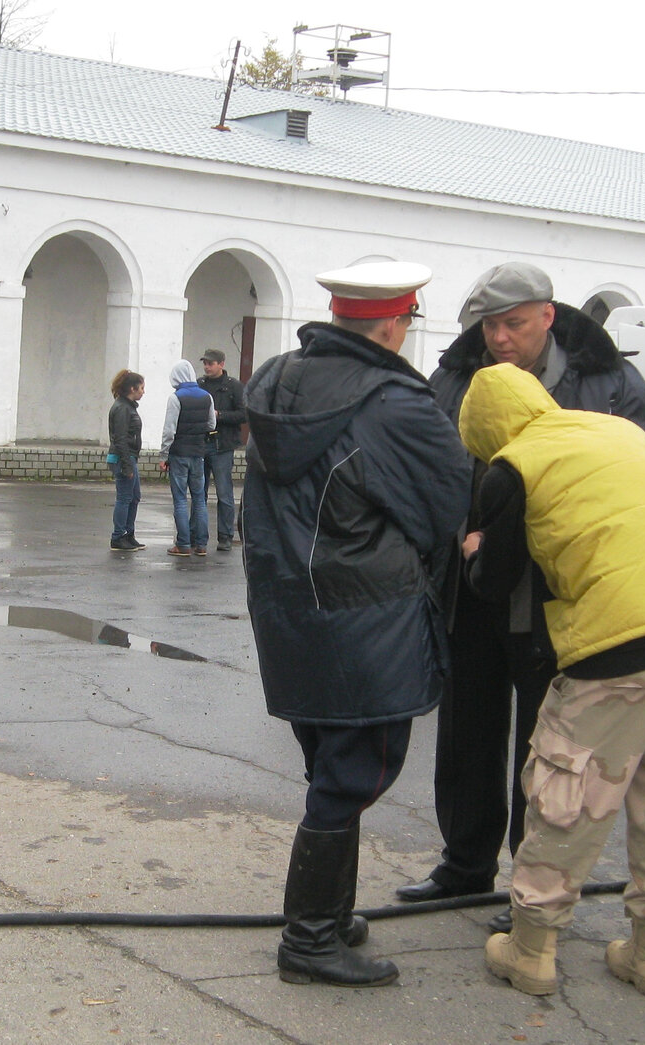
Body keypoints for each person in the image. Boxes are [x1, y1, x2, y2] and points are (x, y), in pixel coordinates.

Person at [397, 262, 645, 932]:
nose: (500, 337)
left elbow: (638, 469)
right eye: (490, 325)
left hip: (557, 590)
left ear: (548, 315)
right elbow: (426, 461)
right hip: (471, 582)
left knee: (547, 747)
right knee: (467, 733)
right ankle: (463, 862)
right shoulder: (455, 376)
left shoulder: (608, 381)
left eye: (513, 323)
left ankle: (533, 886)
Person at [455, 363, 645, 999]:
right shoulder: (621, 432)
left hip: (614, 642)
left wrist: (475, 552)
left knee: (565, 791)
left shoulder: (512, 467)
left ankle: (531, 949)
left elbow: (497, 581)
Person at [241, 261, 471, 989]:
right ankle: (309, 939)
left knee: (329, 763)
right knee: (352, 773)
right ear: (396, 323)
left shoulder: (278, 379)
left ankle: (329, 915)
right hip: (364, 613)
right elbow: (446, 508)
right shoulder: (397, 400)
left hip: (289, 608)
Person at [159, 360, 216, 557]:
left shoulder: (176, 398)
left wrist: (163, 454)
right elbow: (211, 424)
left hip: (179, 454)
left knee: (181, 500)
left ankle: (182, 544)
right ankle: (201, 545)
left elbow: (169, 430)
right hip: (199, 453)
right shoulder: (207, 396)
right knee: (199, 499)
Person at [196, 348, 246, 552]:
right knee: (199, 493)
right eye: (205, 363)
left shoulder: (233, 386)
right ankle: (198, 536)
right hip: (201, 443)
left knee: (224, 493)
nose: (207, 367)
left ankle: (225, 536)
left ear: (221, 364)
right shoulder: (199, 385)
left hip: (223, 445)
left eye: (211, 363)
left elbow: (244, 414)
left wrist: (220, 415)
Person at [107, 369, 146, 552]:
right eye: (141, 388)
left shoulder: (127, 406)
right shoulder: (123, 408)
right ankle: (118, 536)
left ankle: (128, 534)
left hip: (129, 457)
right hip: (124, 458)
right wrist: (127, 465)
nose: (143, 391)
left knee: (134, 497)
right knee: (124, 497)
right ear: (132, 388)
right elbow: (120, 438)